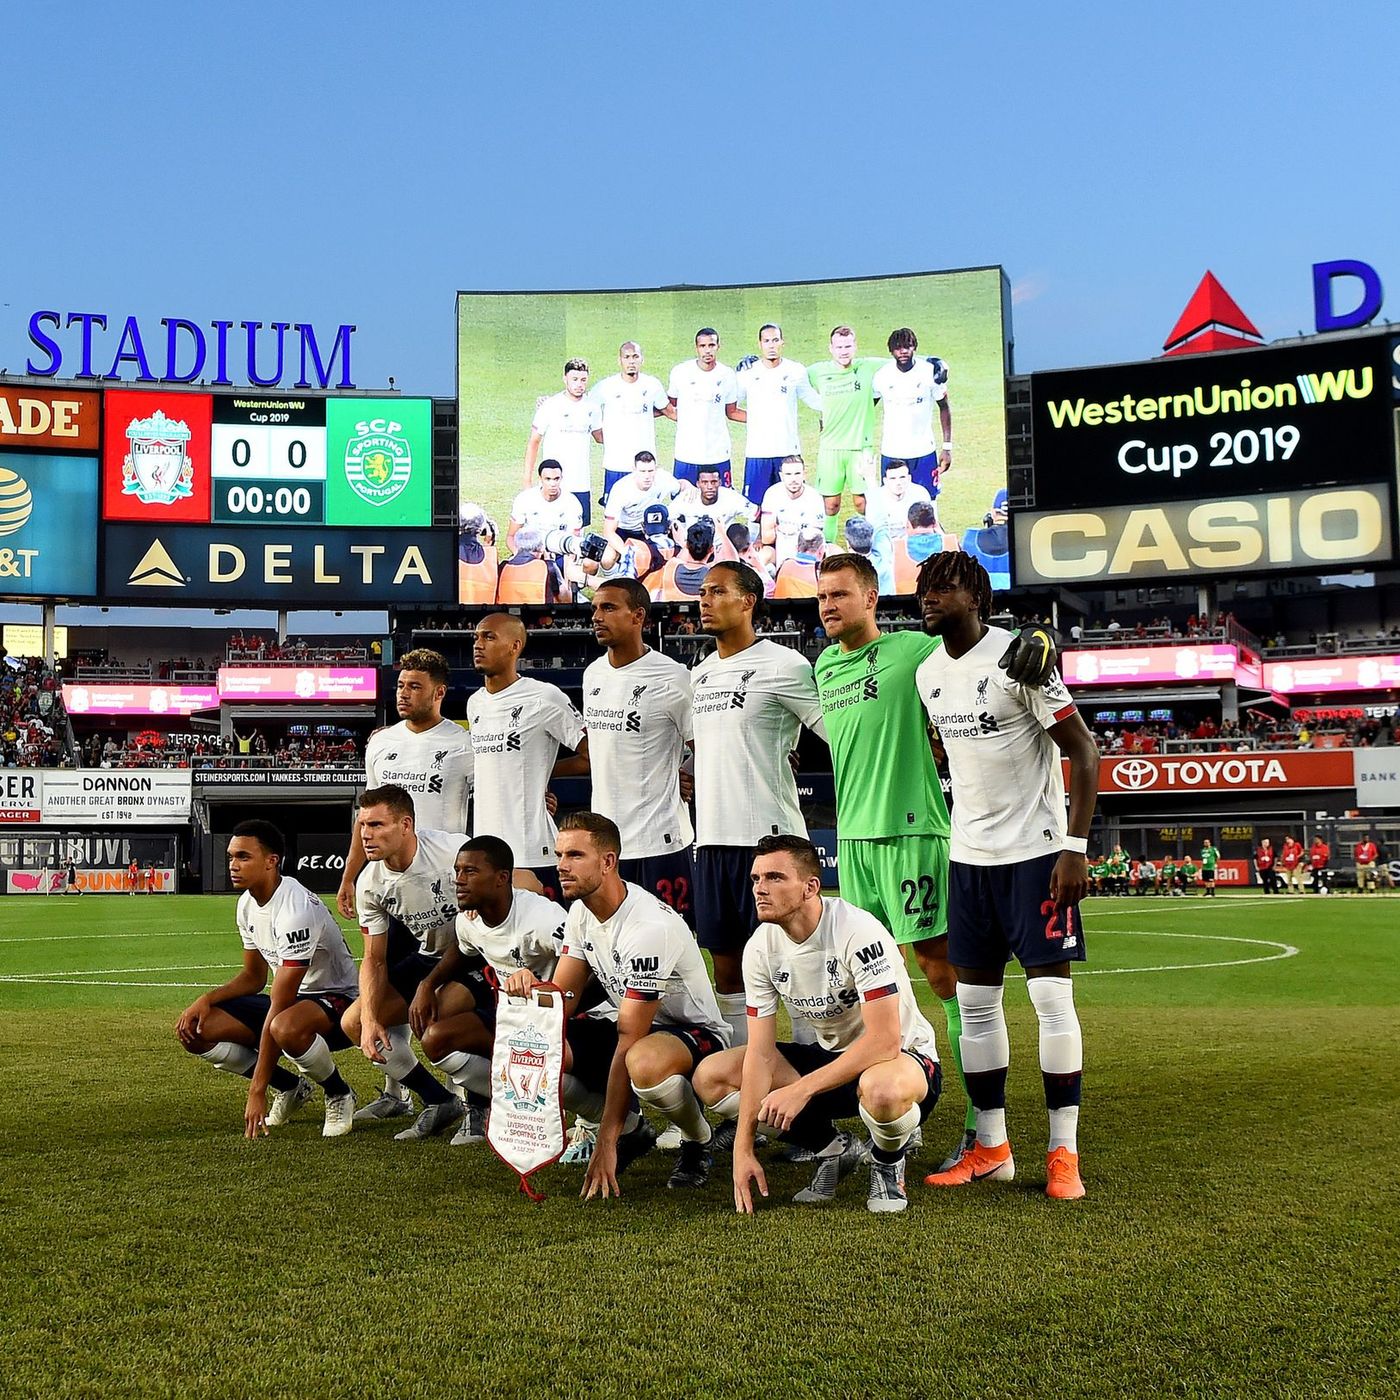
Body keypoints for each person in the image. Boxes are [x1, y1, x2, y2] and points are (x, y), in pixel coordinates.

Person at [814, 551, 1059, 1173]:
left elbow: (985, 647)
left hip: (914, 832)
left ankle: (982, 1124)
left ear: (871, 598)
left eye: (840, 594)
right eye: (822, 596)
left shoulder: (912, 651)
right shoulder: (823, 665)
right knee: (869, 983)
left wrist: (1039, 636)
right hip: (854, 842)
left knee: (942, 973)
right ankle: (894, 1109)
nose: (827, 605)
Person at [915, 551, 1100, 1201]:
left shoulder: (1021, 658)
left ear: (977, 598)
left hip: (1036, 857)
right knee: (975, 1007)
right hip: (969, 860)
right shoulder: (928, 673)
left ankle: (1063, 1153)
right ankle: (992, 1148)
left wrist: (1074, 847)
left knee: (1051, 1002)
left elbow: (1084, 751)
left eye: (944, 587)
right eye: (924, 588)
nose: (929, 596)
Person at [692, 835, 941, 1214]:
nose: (760, 888)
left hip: (902, 1061)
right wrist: (742, 1149)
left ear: (810, 887)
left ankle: (887, 1162)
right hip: (833, 1062)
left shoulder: (857, 930)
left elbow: (884, 1042)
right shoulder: (760, 947)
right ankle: (834, 1149)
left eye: (775, 877)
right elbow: (760, 1054)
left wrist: (801, 1090)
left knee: (882, 1090)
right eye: (756, 878)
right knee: (713, 1076)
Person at [509, 812, 730, 1195]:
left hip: (693, 1035)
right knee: (540, 1046)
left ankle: (698, 1140)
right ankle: (633, 1130)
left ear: (608, 861)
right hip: (634, 1026)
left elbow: (630, 1038)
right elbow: (562, 1000)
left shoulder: (648, 927)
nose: (561, 866)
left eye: (575, 855)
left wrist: (605, 1141)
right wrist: (532, 988)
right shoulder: (582, 912)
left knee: (643, 1061)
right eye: (559, 855)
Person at [690, 561, 826, 1051]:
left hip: (771, 843)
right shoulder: (700, 674)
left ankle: (814, 1079)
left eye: (717, 591)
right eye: (702, 593)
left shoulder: (785, 665)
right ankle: (743, 1082)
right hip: (712, 842)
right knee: (729, 972)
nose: (705, 601)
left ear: (748, 601)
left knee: (797, 966)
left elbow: (834, 732)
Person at [335, 649, 475, 1123]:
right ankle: (398, 1093)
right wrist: (351, 875)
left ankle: (467, 1097)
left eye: (415, 686)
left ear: (439, 692)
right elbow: (368, 815)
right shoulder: (382, 743)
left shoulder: (463, 744)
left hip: (445, 884)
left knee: (443, 999)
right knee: (380, 993)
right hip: (394, 889)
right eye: (400, 685)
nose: (404, 693)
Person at [175, 820, 359, 1138]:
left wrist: (256, 1090)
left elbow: (281, 1002)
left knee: (284, 1026)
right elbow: (254, 977)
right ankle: (290, 1087)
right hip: (291, 1003)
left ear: (271, 861)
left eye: (243, 857)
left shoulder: (296, 910)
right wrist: (206, 1000)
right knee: (199, 1029)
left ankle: (339, 1092)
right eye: (231, 857)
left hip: (337, 1003)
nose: (233, 865)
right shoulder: (246, 904)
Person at [414, 836, 568, 1145]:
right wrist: (427, 984)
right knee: (435, 1038)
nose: (458, 880)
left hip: (564, 1019)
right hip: (514, 1017)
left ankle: (590, 1117)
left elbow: (584, 960)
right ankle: (509, 1103)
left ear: (501, 878)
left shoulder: (543, 918)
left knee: (544, 1060)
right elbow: (464, 948)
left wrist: (546, 991)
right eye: (457, 871)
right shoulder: (469, 920)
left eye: (470, 871)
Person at [345, 785, 470, 1141]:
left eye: (376, 825)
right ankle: (439, 1099)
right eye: (363, 825)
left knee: (441, 1021)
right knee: (355, 1022)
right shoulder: (369, 883)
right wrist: (371, 1018)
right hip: (430, 957)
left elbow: (515, 882)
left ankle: (480, 1106)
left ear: (405, 825)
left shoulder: (452, 851)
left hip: (474, 957)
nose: (366, 834)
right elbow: (374, 959)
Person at [583, 579, 694, 916]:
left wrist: (684, 773)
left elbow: (706, 745)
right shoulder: (593, 674)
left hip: (659, 841)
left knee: (667, 938)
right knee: (609, 939)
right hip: (606, 843)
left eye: (608, 607)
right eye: (595, 609)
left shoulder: (673, 677)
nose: (597, 616)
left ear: (638, 616)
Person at [467, 614, 587, 898]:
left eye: (489, 637)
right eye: (476, 637)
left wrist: (542, 774)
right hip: (486, 852)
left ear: (515, 646)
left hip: (532, 852)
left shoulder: (544, 697)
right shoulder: (475, 703)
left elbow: (592, 755)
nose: (478, 644)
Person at [806, 326, 885, 542]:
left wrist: (932, 361)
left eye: (848, 346)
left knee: (863, 502)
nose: (844, 351)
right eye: (839, 347)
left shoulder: (867, 367)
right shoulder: (817, 371)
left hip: (860, 447)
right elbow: (789, 374)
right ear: (830, 348)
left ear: (855, 346)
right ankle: (827, 550)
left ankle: (875, 547)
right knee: (830, 505)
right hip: (830, 448)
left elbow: (901, 360)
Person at [731, 323, 822, 507]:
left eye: (775, 340)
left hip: (788, 451)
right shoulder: (747, 373)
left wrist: (844, 403)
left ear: (782, 342)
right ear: (760, 344)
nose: (771, 345)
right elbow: (731, 409)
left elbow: (814, 400)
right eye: (766, 341)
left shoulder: (796, 370)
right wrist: (759, 419)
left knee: (793, 506)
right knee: (755, 509)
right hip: (758, 453)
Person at [873, 328, 952, 496]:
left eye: (907, 346)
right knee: (892, 499)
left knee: (928, 500)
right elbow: (866, 408)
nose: (903, 351)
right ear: (891, 350)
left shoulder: (930, 373)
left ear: (914, 347)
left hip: (924, 452)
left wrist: (947, 447)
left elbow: (944, 407)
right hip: (892, 451)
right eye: (897, 347)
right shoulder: (882, 376)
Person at [523, 358, 600, 524]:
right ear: (565, 378)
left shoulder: (592, 408)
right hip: (553, 481)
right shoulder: (550, 405)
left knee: (578, 531)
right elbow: (534, 442)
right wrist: (527, 481)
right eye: (575, 379)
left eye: (583, 380)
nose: (579, 384)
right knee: (547, 527)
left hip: (581, 483)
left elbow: (600, 437)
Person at [590, 342, 672, 497]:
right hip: (616, 463)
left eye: (635, 357)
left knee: (645, 507)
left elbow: (669, 411)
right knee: (614, 508)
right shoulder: (605, 387)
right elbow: (586, 409)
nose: (631, 361)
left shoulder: (652, 385)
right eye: (626, 357)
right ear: (619, 360)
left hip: (644, 466)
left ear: (642, 359)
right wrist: (598, 434)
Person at [667, 329, 741, 485]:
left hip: (718, 452)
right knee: (683, 496)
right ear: (696, 347)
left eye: (711, 345)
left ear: (718, 346)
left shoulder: (727, 374)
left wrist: (762, 417)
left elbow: (731, 411)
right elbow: (670, 405)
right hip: (686, 453)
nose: (707, 350)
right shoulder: (680, 372)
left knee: (721, 496)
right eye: (703, 346)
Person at [759, 455, 826, 568]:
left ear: (804, 474)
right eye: (788, 474)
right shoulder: (772, 494)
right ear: (781, 476)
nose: (793, 479)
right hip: (780, 548)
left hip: (807, 551)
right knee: (763, 556)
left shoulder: (814, 498)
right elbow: (767, 538)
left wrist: (786, 531)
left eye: (797, 474)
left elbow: (813, 540)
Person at [603, 452, 685, 540]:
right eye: (642, 471)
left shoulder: (663, 478)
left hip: (653, 527)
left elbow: (682, 485)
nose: (647, 476)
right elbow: (609, 532)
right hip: (625, 529)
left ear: (656, 469)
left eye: (650, 471)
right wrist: (625, 549)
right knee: (612, 547)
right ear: (634, 470)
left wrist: (690, 487)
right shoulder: (620, 489)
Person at [508, 460, 583, 552]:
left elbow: (574, 540)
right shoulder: (524, 499)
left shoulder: (572, 503)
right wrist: (520, 555)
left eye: (556, 479)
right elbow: (511, 536)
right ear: (540, 479)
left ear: (561, 478)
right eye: (548, 479)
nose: (553, 484)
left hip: (560, 553)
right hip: (531, 552)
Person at [865, 459, 932, 543]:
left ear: (909, 478)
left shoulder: (920, 494)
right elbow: (873, 532)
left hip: (914, 543)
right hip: (885, 544)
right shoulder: (876, 498)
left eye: (902, 477)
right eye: (892, 478)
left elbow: (930, 527)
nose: (898, 483)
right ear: (885, 481)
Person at [771, 528, 825, 598]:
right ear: (821, 551)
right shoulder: (821, 574)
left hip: (779, 605)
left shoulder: (784, 565)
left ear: (797, 548)